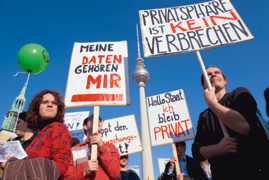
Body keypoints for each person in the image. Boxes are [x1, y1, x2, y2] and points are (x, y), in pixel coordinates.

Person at [192, 66, 269, 180]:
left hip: (253, 171)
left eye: (217, 73)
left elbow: (244, 127)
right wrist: (218, 148)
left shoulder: (239, 93)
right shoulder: (204, 116)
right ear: (203, 85)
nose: (213, 75)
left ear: (225, 80)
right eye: (208, 74)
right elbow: (197, 152)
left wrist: (211, 103)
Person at [1, 89, 72, 180]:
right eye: (45, 102)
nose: (50, 104)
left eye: (54, 103)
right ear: (36, 108)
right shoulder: (37, 137)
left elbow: (61, 165)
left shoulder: (58, 128)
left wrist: (12, 165)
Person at [64, 114, 120, 180]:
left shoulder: (110, 147)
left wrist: (101, 147)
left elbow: (115, 173)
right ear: (85, 126)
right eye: (92, 118)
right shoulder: (73, 151)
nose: (97, 120)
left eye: (100, 120)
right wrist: (84, 173)